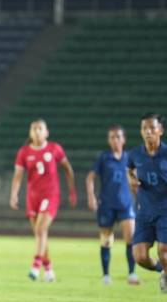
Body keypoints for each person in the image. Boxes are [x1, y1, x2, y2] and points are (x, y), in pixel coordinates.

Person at [10, 119, 77, 282]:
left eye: (40, 129)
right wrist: (14, 194)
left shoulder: (55, 149)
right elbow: (18, 176)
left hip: (51, 195)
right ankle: (48, 270)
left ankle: (35, 266)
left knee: (40, 230)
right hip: (32, 197)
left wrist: (72, 190)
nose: (37, 132)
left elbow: (68, 169)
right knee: (41, 234)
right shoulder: (24, 152)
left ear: (47, 132)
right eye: (34, 129)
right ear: (30, 132)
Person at [85, 125, 138, 285]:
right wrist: (91, 196)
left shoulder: (129, 158)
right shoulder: (103, 157)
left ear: (124, 139)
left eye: (118, 136)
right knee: (106, 240)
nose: (115, 140)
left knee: (131, 238)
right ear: (109, 140)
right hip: (106, 205)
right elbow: (90, 178)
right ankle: (106, 275)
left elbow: (135, 181)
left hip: (126, 204)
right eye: (112, 137)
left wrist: (141, 199)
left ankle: (132, 274)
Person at [127, 113, 167, 293]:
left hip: (165, 211)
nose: (148, 131)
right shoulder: (135, 154)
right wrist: (131, 179)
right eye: (144, 128)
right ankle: (162, 270)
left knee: (163, 251)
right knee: (140, 257)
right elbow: (129, 168)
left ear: (161, 131)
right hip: (144, 212)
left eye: (152, 128)